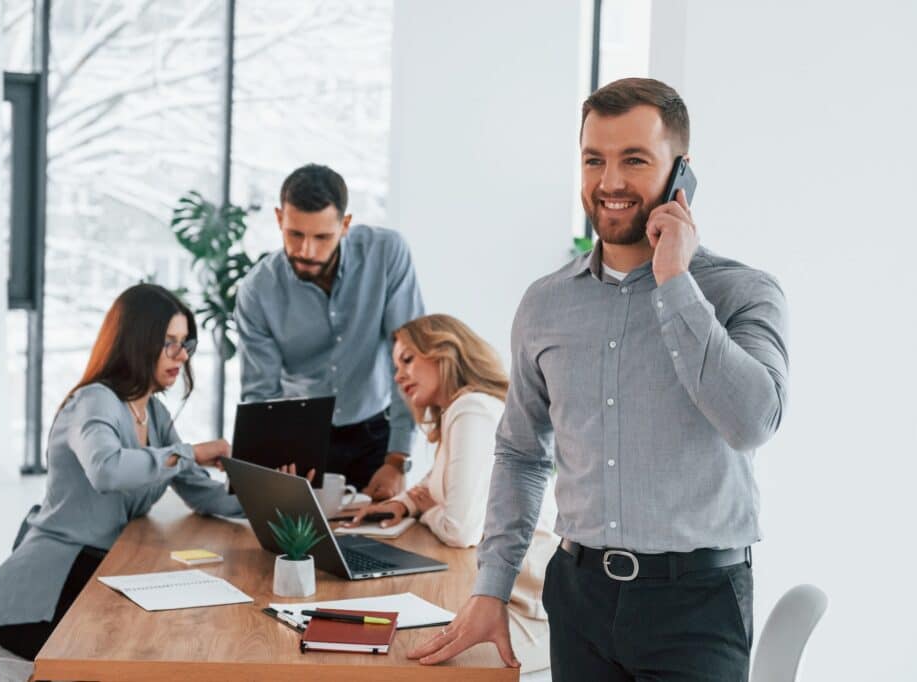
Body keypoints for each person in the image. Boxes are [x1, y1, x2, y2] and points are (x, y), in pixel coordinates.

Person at [409, 78, 789, 680]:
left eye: (634, 160)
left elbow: (752, 422)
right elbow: (520, 453)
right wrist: (492, 586)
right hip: (579, 596)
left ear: (681, 173)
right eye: (594, 160)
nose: (609, 182)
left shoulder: (743, 292)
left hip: (697, 603)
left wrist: (675, 284)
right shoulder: (545, 304)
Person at [0, 284, 241, 660]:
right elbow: (107, 469)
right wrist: (190, 453)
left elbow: (199, 490)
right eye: (169, 342)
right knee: (145, 648)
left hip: (95, 572)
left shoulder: (154, 413)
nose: (181, 355)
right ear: (136, 342)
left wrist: (281, 498)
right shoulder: (94, 401)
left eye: (186, 343)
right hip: (38, 595)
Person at [344, 314, 557, 672]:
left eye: (407, 359)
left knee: (405, 656)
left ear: (444, 351)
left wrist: (428, 511)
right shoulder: (460, 410)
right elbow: (434, 481)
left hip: (523, 609)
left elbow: (460, 530)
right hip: (501, 594)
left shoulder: (471, 410)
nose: (398, 376)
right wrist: (406, 502)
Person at [235, 164, 424, 500]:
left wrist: (398, 459)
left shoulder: (386, 254)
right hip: (299, 440)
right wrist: (269, 468)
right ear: (279, 219)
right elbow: (260, 396)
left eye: (322, 237)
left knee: (376, 544)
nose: (306, 251)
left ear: (345, 225)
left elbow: (411, 357)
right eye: (295, 234)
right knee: (296, 547)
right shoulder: (258, 291)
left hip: (376, 435)